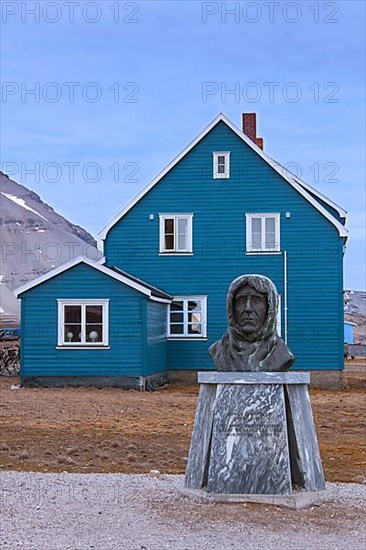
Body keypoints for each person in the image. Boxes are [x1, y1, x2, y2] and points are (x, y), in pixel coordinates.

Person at [209, 274, 295, 372]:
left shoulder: (282, 354)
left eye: (257, 301)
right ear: (231, 308)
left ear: (270, 308)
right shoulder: (218, 351)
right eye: (241, 301)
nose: (248, 308)